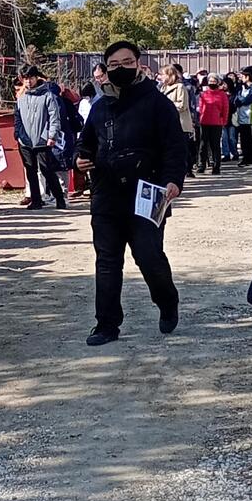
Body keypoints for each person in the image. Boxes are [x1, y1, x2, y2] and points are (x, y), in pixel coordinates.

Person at [74, 40, 187, 345]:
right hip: (106, 195)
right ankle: (106, 324)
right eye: (114, 64)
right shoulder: (100, 107)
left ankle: (167, 300)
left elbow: (175, 148)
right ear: (105, 69)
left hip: (148, 193)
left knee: (148, 256)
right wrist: (80, 158)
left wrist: (173, 180)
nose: (120, 68)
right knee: (107, 261)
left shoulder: (157, 103)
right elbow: (85, 143)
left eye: (126, 62)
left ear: (138, 64)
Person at [14, 64, 65, 210]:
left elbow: (54, 117)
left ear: (37, 78)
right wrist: (18, 133)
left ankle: (59, 198)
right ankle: (36, 200)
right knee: (30, 171)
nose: (28, 81)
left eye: (31, 78)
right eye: (25, 79)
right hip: (25, 141)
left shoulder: (48, 95)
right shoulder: (21, 97)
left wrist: (52, 135)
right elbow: (17, 117)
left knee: (47, 169)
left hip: (42, 140)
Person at [160, 63, 198, 175]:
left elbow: (183, 105)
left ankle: (186, 170)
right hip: (166, 124)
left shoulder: (180, 87)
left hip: (180, 124)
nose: (161, 77)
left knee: (181, 149)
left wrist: (167, 105)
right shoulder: (162, 88)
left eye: (163, 74)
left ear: (169, 75)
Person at [197, 76, 230, 174]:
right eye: (210, 81)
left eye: (214, 81)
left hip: (216, 123)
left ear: (218, 82)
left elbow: (225, 109)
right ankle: (201, 165)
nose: (212, 82)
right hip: (204, 122)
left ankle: (216, 166)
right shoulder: (203, 94)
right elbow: (200, 107)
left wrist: (224, 121)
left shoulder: (222, 95)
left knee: (215, 145)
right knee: (203, 145)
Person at [235, 67, 252, 166]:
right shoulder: (242, 88)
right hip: (242, 118)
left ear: (248, 77)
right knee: (244, 140)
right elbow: (236, 100)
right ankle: (246, 157)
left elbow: (246, 100)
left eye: (243, 75)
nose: (241, 77)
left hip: (251, 117)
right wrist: (239, 99)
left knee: (250, 139)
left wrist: (240, 99)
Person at [221, 74, 241, 165]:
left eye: (225, 84)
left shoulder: (235, 94)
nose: (224, 86)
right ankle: (226, 154)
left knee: (232, 137)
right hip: (223, 118)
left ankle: (234, 153)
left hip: (232, 118)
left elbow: (236, 105)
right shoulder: (221, 94)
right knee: (224, 138)